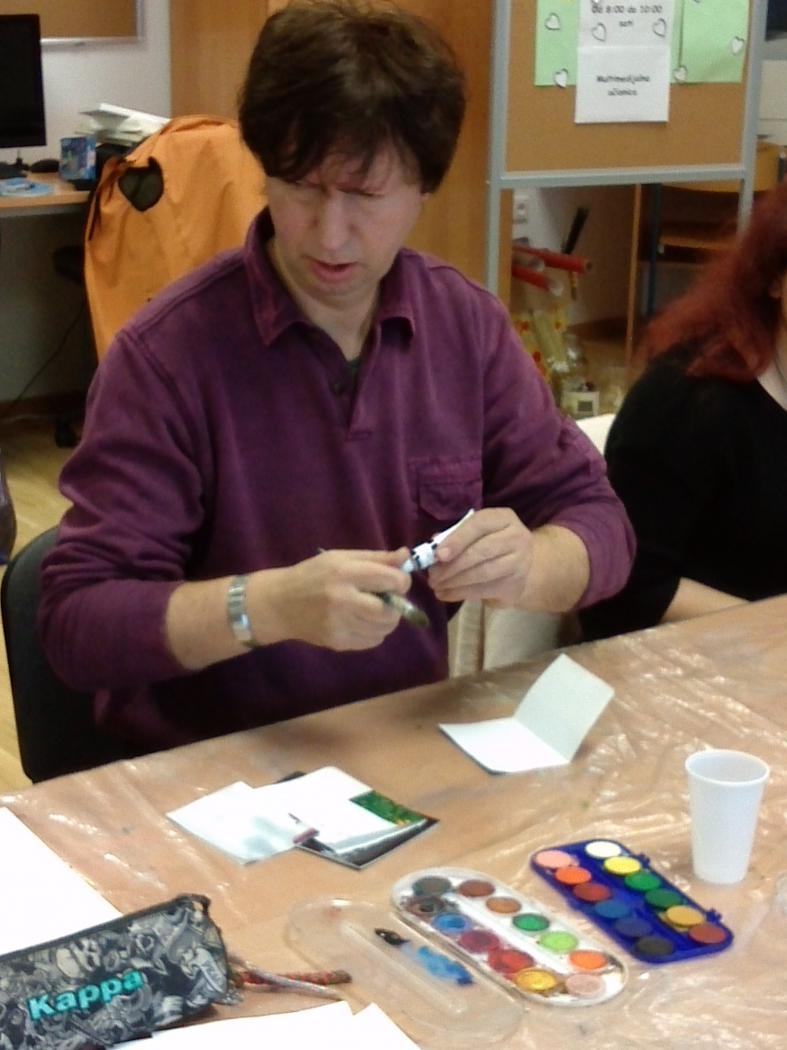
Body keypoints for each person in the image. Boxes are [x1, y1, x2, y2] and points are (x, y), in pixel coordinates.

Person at [39, 0, 633, 753]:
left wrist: (532, 564)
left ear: (423, 188)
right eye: (301, 188)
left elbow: (601, 525)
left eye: (364, 196)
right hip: (211, 771)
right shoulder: (167, 356)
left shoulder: (465, 329)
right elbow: (77, 624)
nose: (328, 234)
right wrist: (266, 606)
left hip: (397, 747)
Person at [580, 181, 787, 641]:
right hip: (684, 660)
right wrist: (775, 629)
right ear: (775, 278)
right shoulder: (688, 399)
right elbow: (624, 587)